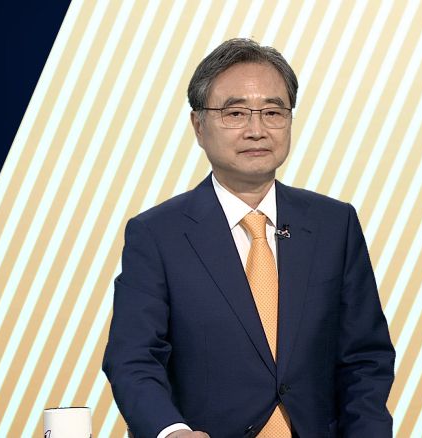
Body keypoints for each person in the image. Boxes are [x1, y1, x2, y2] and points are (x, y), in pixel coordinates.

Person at [103, 38, 395, 438]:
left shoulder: (334, 224)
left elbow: (365, 358)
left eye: (273, 112)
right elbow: (134, 359)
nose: (256, 130)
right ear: (198, 126)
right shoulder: (156, 234)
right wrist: (171, 432)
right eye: (235, 113)